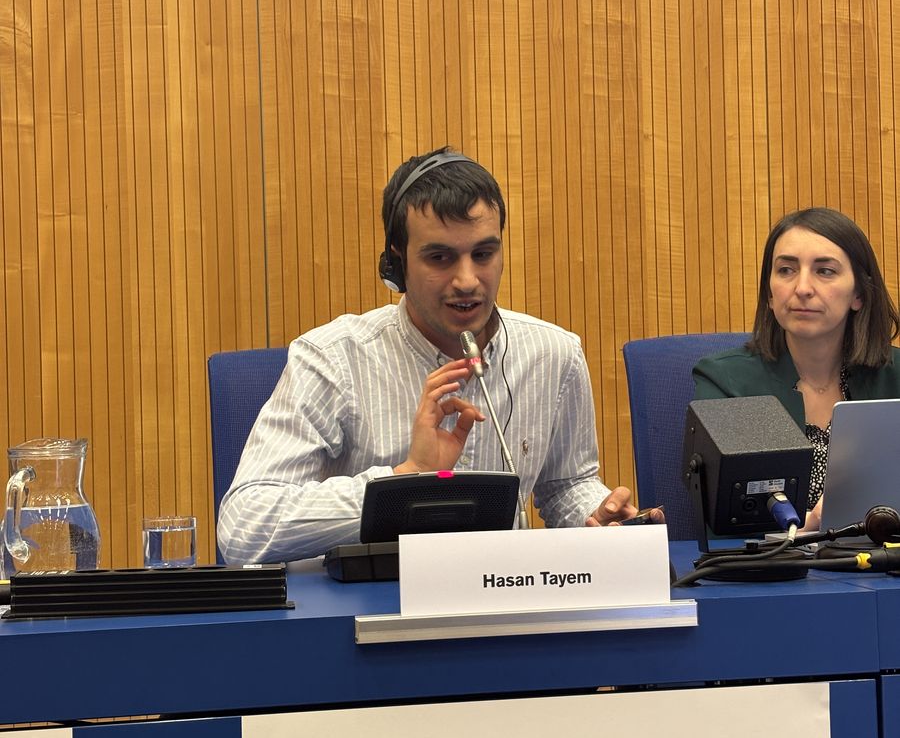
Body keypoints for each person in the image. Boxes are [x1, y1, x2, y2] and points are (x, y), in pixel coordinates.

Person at [218, 146, 658, 563]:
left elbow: (565, 485)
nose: (467, 281)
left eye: (483, 253)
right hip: (372, 617)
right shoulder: (334, 359)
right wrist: (404, 479)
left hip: (506, 601)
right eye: (440, 258)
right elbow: (243, 527)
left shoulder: (554, 354)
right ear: (397, 264)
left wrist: (596, 516)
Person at [692, 206, 900, 528]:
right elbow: (726, 519)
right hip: (773, 570)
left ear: (858, 293)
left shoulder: (895, 377)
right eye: (786, 270)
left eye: (825, 271)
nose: (802, 288)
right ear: (770, 295)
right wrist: (811, 523)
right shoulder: (727, 382)